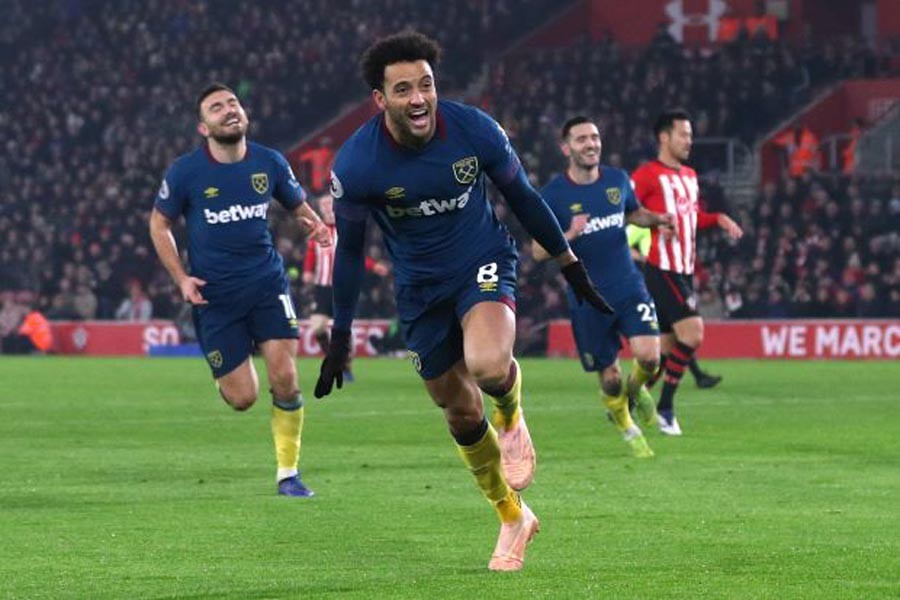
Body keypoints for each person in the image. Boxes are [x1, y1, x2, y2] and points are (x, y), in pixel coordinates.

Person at [313, 32, 611, 571]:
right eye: (402, 89)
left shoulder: (475, 129)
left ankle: (513, 418)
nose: (418, 98)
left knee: (489, 365)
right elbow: (351, 253)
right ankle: (512, 515)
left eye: (425, 84)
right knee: (457, 409)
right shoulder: (357, 163)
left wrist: (569, 262)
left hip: (481, 261)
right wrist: (340, 333)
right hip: (419, 288)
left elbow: (523, 198)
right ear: (380, 100)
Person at [149, 83, 332, 497]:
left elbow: (296, 203)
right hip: (215, 297)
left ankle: (288, 474)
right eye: (217, 108)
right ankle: (227, 375)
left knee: (285, 377)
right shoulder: (185, 172)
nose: (228, 110)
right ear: (203, 127)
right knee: (243, 397)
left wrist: (314, 224)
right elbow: (159, 224)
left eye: (233, 103)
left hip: (267, 284)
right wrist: (180, 277)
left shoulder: (269, 162)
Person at [533, 117, 676, 458]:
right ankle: (628, 428)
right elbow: (538, 251)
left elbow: (632, 213)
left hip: (628, 285)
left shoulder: (617, 180)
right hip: (588, 297)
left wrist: (656, 218)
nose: (591, 144)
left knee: (650, 358)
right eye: (582, 139)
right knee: (609, 378)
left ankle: (638, 389)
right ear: (567, 148)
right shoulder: (552, 195)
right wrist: (570, 234)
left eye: (595, 137)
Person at [631, 109, 744, 436]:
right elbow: (624, 211)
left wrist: (718, 218)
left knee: (664, 353)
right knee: (693, 333)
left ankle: (627, 403)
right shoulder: (647, 174)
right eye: (683, 134)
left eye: (691, 135)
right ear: (664, 137)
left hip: (684, 269)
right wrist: (654, 220)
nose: (689, 140)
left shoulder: (691, 176)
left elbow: (691, 218)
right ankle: (665, 409)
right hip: (661, 267)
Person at [302, 193, 389, 380]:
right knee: (317, 328)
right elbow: (312, 253)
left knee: (341, 329)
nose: (326, 208)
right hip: (322, 287)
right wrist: (308, 271)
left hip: (342, 285)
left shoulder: (344, 230)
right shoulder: (317, 231)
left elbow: (356, 256)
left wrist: (374, 266)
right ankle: (334, 359)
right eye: (323, 205)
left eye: (329, 204)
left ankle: (346, 367)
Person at [627, 224, 723, 390]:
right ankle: (639, 392)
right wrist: (644, 259)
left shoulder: (668, 225)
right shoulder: (641, 226)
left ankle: (636, 393)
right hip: (652, 281)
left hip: (666, 279)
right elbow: (623, 246)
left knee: (677, 334)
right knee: (678, 334)